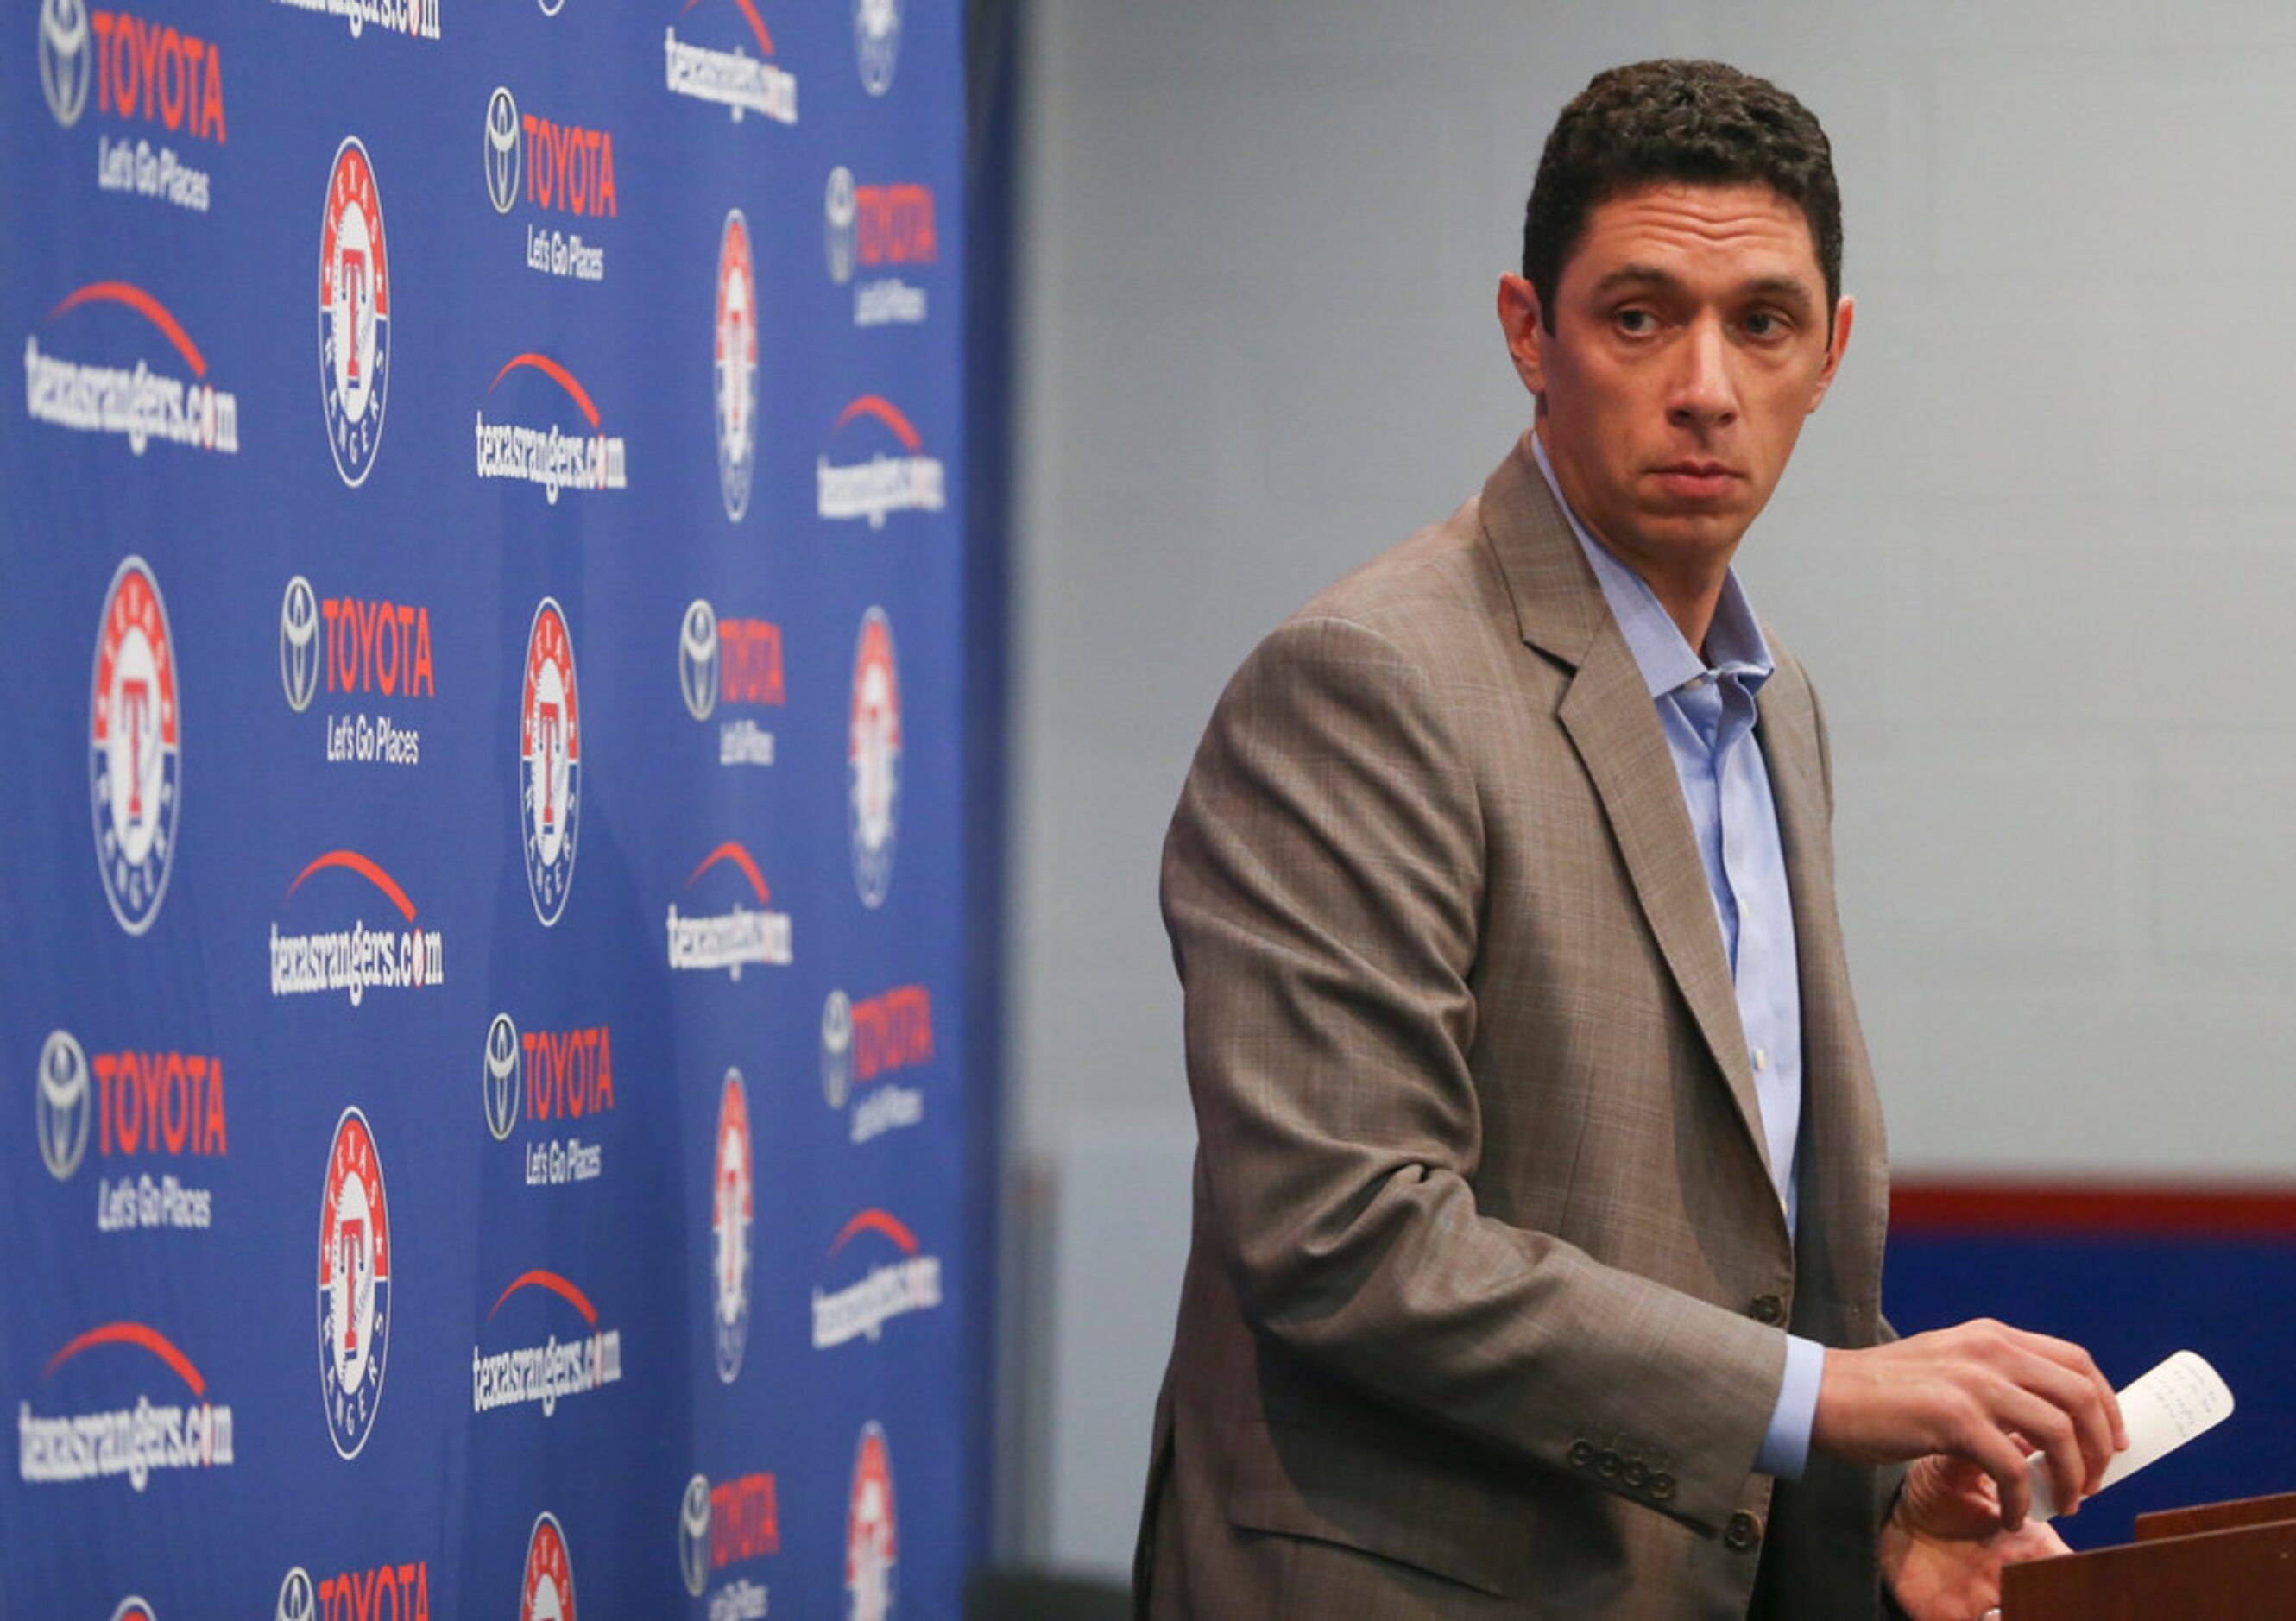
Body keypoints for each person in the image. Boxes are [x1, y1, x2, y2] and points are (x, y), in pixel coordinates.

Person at [1132, 59, 2125, 1619]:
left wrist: (1886, 1524)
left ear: (1833, 354)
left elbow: (1755, 1238)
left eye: (1765, 324)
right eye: (1643, 315)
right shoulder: (1367, 679)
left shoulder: (1775, 697)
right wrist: (1827, 1396)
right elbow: (1343, 1233)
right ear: (1531, 333)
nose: (1708, 386)